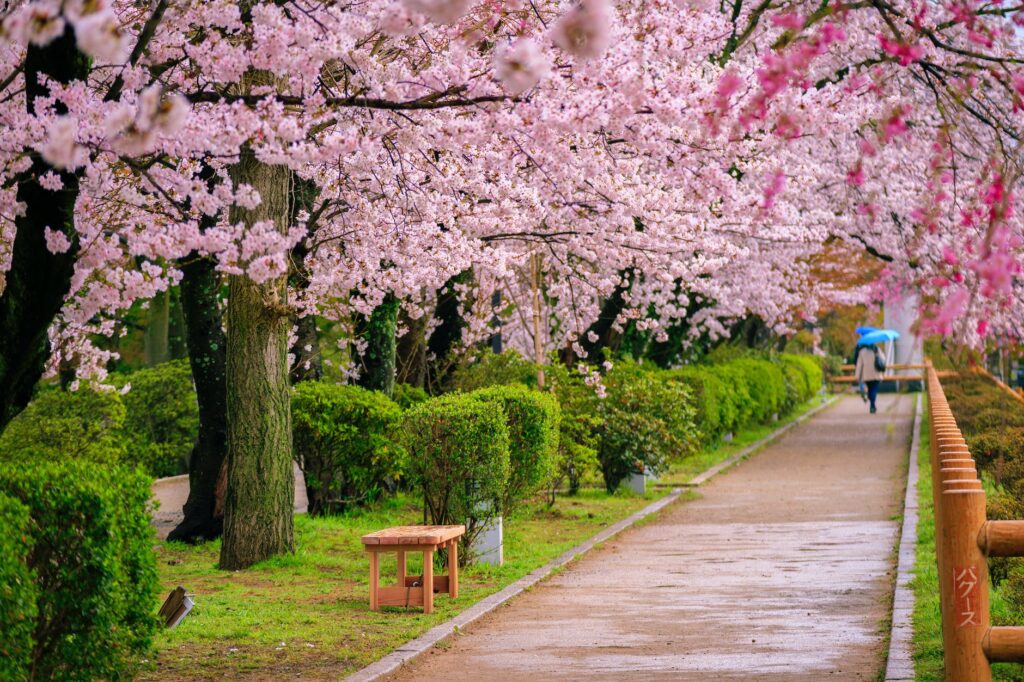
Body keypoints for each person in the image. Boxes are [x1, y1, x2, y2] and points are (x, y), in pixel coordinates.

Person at [855, 343, 884, 413]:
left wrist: (857, 376)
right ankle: (872, 406)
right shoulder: (877, 350)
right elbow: (883, 359)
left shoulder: (862, 352)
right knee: (873, 390)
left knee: (870, 390)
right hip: (876, 373)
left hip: (867, 375)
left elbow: (859, 365)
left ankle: (872, 404)